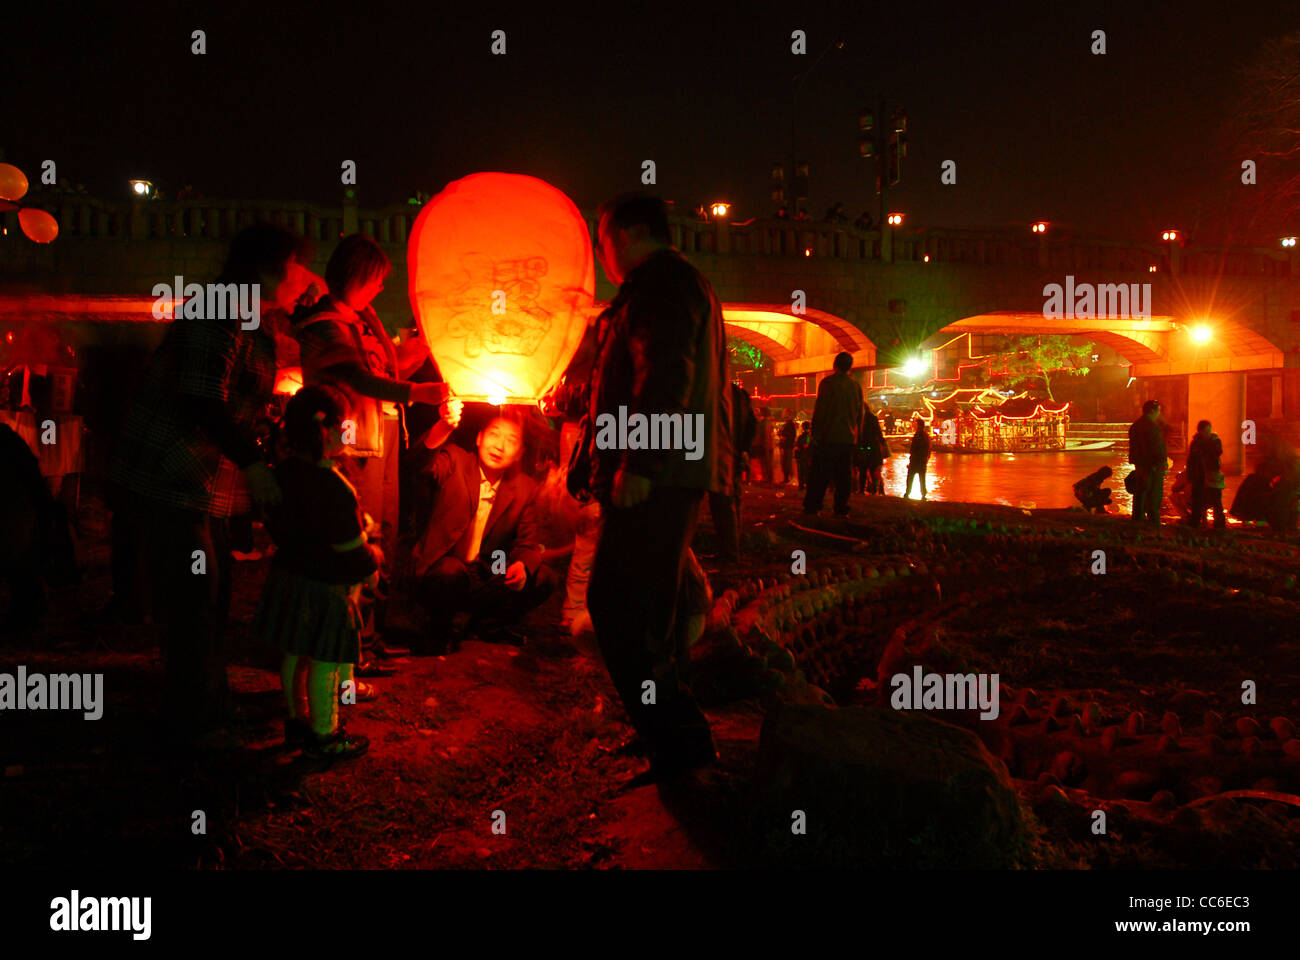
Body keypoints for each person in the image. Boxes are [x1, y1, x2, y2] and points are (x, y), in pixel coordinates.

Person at [110, 223, 310, 753]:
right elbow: (203, 400)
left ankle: (208, 705)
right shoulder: (217, 310)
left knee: (214, 593)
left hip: (201, 480)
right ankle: (192, 725)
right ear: (272, 265)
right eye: (298, 265)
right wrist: (252, 462)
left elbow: (240, 395)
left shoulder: (251, 317)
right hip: (170, 471)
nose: (304, 277)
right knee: (195, 595)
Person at [579, 192, 733, 781]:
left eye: (602, 241)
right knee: (648, 612)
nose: (601, 255)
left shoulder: (661, 285)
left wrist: (640, 464)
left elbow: (666, 372)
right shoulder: (673, 283)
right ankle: (670, 736)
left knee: (621, 609)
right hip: (674, 469)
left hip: (659, 475)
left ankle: (679, 742)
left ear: (624, 234)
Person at [293, 234, 451, 664]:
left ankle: (368, 631)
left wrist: (422, 353)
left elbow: (380, 367)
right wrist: (416, 393)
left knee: (383, 530)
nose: (381, 288)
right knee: (358, 535)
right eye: (377, 280)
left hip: (379, 436)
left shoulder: (362, 320)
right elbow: (356, 377)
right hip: (350, 441)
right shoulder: (323, 325)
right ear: (357, 276)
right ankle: (349, 643)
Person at [254, 386, 376, 760]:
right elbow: (348, 548)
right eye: (346, 425)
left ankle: (297, 722)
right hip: (325, 586)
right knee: (325, 658)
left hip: (290, 575)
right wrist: (372, 552)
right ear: (327, 429)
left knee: (295, 652)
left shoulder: (283, 473)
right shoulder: (332, 485)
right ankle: (326, 735)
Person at [412, 408, 555, 649]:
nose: (499, 446)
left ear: (520, 453)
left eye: (511, 441)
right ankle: (440, 623)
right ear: (479, 438)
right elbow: (422, 466)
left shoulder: (524, 488)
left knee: (543, 577)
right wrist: (444, 426)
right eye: (494, 434)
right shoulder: (454, 460)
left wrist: (522, 566)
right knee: (450, 572)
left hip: (487, 575)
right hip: (445, 570)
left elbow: (528, 544)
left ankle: (489, 624)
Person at [803, 352, 863, 516]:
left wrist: (815, 435)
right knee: (844, 477)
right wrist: (857, 438)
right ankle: (841, 507)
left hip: (828, 437)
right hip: (848, 439)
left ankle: (813, 506)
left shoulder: (828, 383)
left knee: (820, 475)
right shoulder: (855, 386)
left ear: (835, 365)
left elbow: (821, 410)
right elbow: (860, 415)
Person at [708, 382, 756, 561]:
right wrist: (744, 449)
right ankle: (734, 544)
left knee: (721, 502)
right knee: (733, 498)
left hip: (718, 452)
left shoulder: (713, 390)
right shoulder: (741, 394)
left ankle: (728, 551)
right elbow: (751, 424)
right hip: (735, 452)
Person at [1127, 400, 1166, 524]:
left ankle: (1138, 517)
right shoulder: (1151, 427)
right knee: (1153, 493)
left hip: (1140, 464)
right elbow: (1154, 447)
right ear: (1152, 411)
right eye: (1158, 411)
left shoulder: (1136, 425)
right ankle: (1153, 520)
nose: (1159, 414)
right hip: (1151, 466)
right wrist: (1158, 463)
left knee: (1140, 491)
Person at [1185, 420, 1226, 530]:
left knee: (1216, 500)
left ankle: (1220, 523)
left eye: (1209, 431)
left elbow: (1217, 452)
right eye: (1205, 431)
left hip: (1212, 475)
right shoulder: (1195, 443)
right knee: (1197, 500)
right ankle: (1195, 522)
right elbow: (1190, 461)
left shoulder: (1215, 441)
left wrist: (1205, 446)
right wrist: (1190, 476)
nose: (1207, 433)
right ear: (1200, 431)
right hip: (1198, 476)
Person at [860, 405, 889, 495]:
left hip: (865, 446)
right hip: (871, 447)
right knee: (871, 470)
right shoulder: (872, 418)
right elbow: (878, 432)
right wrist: (882, 443)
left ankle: (863, 489)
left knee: (864, 469)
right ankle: (873, 490)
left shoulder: (861, 418)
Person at [905, 418, 931, 500]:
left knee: (911, 478)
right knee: (921, 478)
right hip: (921, 461)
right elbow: (928, 450)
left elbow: (915, 449)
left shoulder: (919, 436)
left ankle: (908, 493)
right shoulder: (925, 436)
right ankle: (923, 494)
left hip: (917, 460)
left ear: (919, 426)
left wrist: (912, 459)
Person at [778, 415, 796, 485]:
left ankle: (788, 478)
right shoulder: (789, 424)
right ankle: (787, 478)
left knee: (786, 463)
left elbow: (790, 435)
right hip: (787, 446)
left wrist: (782, 434)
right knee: (786, 463)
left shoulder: (789, 424)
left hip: (787, 446)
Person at [794, 421, 812, 489]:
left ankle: (801, 485)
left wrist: (799, 448)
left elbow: (801, 446)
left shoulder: (802, 436)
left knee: (801, 471)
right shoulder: (809, 436)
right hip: (806, 456)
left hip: (802, 456)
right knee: (806, 471)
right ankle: (806, 484)